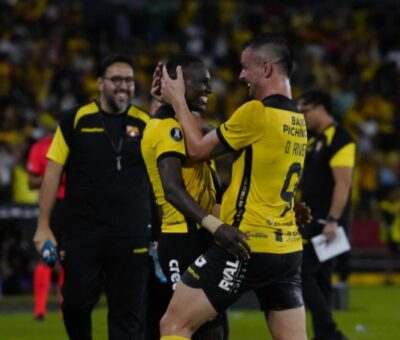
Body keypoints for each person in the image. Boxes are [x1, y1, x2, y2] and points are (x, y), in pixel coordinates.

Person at [159, 33, 308, 340]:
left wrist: (176, 101)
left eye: (245, 67)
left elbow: (198, 148)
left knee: (173, 326)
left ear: (266, 69)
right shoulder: (297, 119)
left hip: (245, 244)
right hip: (288, 250)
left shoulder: (256, 111)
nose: (241, 76)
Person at [33, 54, 152, 340]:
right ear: (100, 83)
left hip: (130, 235)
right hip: (83, 233)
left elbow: (160, 179)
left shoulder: (146, 123)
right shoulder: (75, 119)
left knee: (128, 313)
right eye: (116, 79)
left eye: (129, 80)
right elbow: (52, 172)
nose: (123, 86)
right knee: (74, 304)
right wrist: (43, 225)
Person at [142, 55, 231, 340]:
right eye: (202, 83)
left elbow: (216, 188)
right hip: (183, 239)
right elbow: (172, 189)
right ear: (179, 85)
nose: (210, 89)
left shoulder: (188, 130)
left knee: (215, 327)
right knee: (192, 328)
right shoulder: (165, 128)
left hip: (204, 237)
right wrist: (215, 226)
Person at [298, 89, 355, 340]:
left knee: (302, 273)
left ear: (319, 107)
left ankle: (329, 333)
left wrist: (333, 220)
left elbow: (343, 184)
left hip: (327, 222)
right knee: (321, 279)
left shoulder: (341, 140)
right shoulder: (314, 140)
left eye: (305, 111)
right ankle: (324, 335)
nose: (303, 117)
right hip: (311, 220)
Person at [27, 132, 65, 320]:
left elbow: (32, 181)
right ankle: (40, 310)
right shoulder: (41, 146)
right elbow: (31, 181)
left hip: (70, 205)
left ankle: (64, 306)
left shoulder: (73, 142)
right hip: (52, 205)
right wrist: (52, 176)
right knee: (48, 255)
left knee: (66, 258)